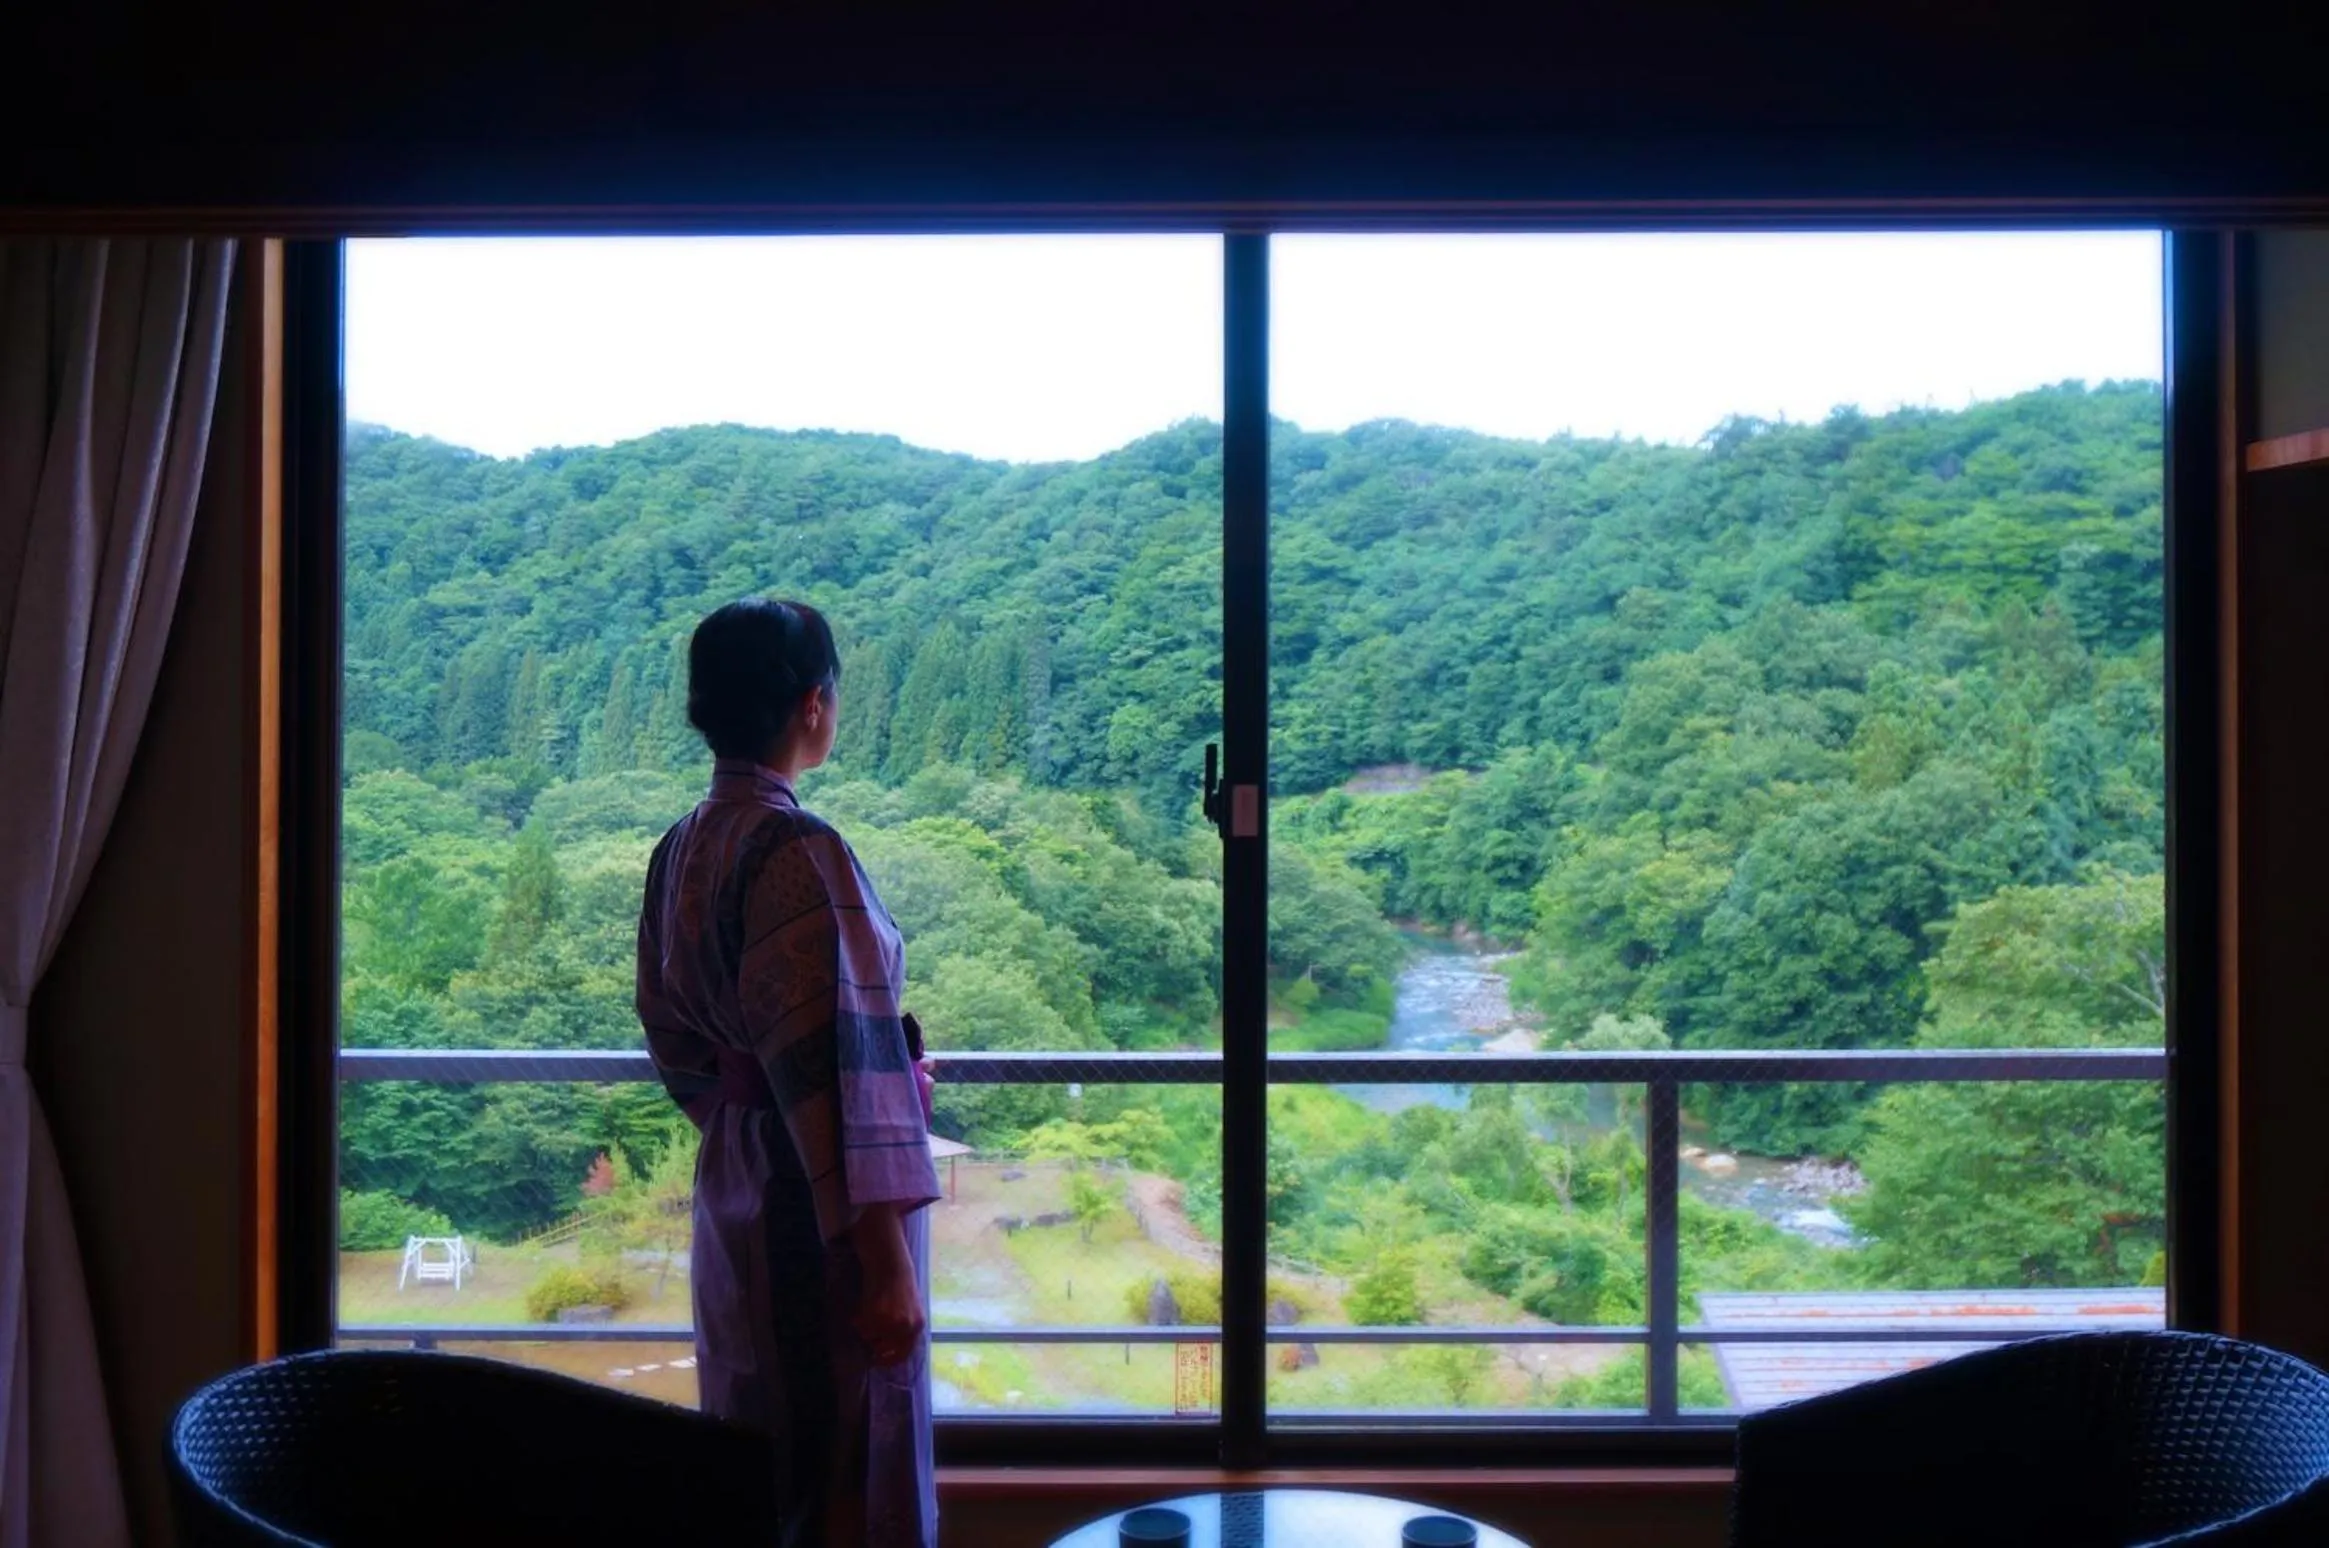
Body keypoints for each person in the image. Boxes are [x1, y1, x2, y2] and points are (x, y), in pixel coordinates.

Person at [636, 598, 940, 1547]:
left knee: (752, 1437)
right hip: (818, 1206)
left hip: (737, 1167)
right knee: (837, 1445)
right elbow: (840, 1067)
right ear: (813, 703)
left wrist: (740, 1114)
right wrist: (885, 1263)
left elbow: (668, 1033)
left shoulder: (683, 842)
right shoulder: (800, 850)